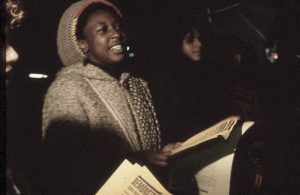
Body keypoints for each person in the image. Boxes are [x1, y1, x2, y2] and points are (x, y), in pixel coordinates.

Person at [41, 0, 179, 194]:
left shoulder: (137, 82)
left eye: (117, 26)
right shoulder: (68, 88)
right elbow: (64, 166)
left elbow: (146, 147)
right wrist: (137, 159)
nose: (116, 34)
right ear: (82, 43)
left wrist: (163, 152)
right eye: (102, 30)